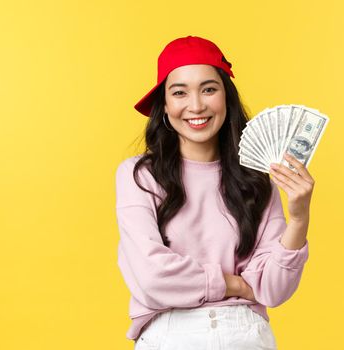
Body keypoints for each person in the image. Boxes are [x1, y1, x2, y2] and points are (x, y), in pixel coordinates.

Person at [115, 35, 315, 350]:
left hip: (245, 335)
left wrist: (300, 218)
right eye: (179, 92)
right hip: (170, 336)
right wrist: (234, 284)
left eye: (209, 89)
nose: (196, 106)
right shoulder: (139, 175)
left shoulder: (256, 178)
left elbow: (273, 289)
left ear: (226, 98)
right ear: (164, 106)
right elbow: (152, 276)